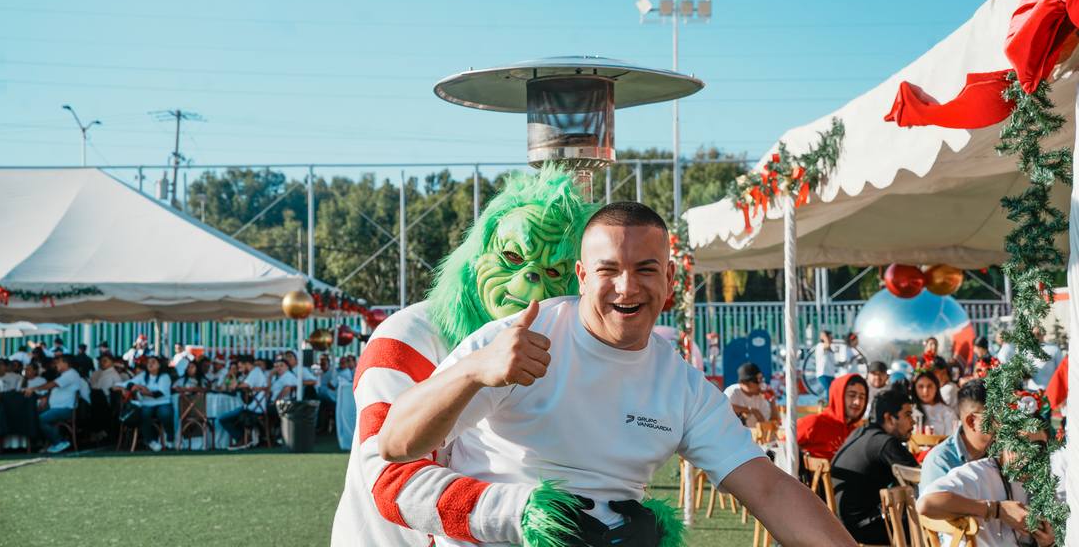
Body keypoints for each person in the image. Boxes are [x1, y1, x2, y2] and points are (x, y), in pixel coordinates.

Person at [379, 201, 857, 547]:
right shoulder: (518, 338)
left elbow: (769, 488)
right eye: (608, 270)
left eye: (645, 269)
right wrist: (472, 372)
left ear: (669, 278)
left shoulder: (682, 386)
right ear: (582, 277)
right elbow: (396, 443)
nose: (627, 287)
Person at [332, 167, 623, 547]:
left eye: (554, 270)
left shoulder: (554, 347)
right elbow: (391, 481)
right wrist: (526, 514)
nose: (533, 279)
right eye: (513, 256)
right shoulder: (408, 337)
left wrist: (629, 518)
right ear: (475, 255)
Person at [917, 430, 1059, 547]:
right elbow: (925, 504)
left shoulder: (1042, 483)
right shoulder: (978, 474)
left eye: (1038, 447)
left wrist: (1047, 543)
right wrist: (997, 509)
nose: (1027, 454)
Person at [830, 388, 919, 544]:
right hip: (863, 530)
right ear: (889, 418)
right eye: (907, 415)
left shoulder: (861, 432)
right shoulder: (885, 443)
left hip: (839, 524)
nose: (913, 421)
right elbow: (920, 476)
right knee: (926, 522)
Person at [920, 379, 992, 487]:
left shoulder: (1002, 453)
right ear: (972, 422)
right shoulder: (940, 462)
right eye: (998, 418)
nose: (1007, 424)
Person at [796, 373, 869, 461]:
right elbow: (783, 448)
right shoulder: (813, 423)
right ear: (838, 396)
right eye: (852, 395)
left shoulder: (859, 432)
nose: (857, 402)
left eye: (862, 397)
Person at [22, 354, 81, 454]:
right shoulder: (65, 374)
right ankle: (48, 443)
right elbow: (53, 388)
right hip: (55, 408)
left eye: (59, 362)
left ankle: (59, 442)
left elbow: (52, 384)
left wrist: (33, 388)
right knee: (33, 416)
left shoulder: (71, 374)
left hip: (65, 409)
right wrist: (45, 398)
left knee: (40, 419)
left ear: (66, 363)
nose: (56, 364)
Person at [118, 356, 173, 452]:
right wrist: (130, 387)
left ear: (159, 365)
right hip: (147, 404)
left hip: (163, 402)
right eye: (148, 362)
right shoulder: (143, 376)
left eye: (153, 362)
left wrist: (145, 391)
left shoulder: (165, 376)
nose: (150, 364)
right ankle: (150, 441)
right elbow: (129, 383)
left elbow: (160, 393)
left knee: (165, 414)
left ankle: (170, 438)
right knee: (144, 414)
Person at [218, 355, 268, 450]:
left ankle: (243, 439)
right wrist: (232, 378)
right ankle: (243, 438)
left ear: (247, 364)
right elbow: (231, 386)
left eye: (240, 366)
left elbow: (244, 385)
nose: (239, 369)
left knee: (223, 419)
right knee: (226, 417)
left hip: (254, 408)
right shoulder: (251, 373)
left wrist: (236, 384)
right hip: (249, 406)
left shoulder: (255, 372)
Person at [724, 362, 778, 428]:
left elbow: (771, 424)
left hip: (751, 434)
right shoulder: (733, 391)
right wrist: (751, 410)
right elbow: (724, 408)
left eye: (761, 379)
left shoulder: (760, 397)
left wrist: (772, 403)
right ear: (743, 383)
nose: (761, 384)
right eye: (757, 380)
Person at [911, 371, 959, 435]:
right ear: (915, 389)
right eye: (921, 386)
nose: (925, 391)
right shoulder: (910, 410)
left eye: (929, 386)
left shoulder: (947, 412)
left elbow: (951, 436)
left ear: (936, 387)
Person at [815, 330, 837, 402]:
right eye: (830, 337)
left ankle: (829, 403)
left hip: (831, 374)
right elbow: (826, 345)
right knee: (829, 390)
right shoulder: (820, 345)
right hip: (823, 373)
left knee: (833, 391)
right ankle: (828, 404)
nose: (832, 339)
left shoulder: (831, 349)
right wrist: (824, 337)